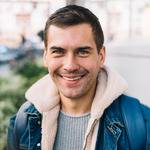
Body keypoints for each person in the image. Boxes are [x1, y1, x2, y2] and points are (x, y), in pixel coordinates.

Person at [7, 5, 150, 150]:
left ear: (101, 57)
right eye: (58, 51)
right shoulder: (23, 123)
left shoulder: (142, 124)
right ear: (45, 57)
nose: (70, 66)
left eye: (82, 52)